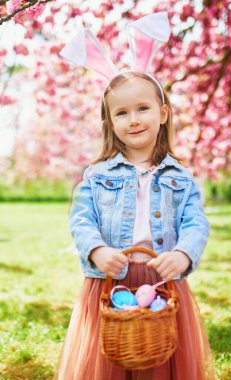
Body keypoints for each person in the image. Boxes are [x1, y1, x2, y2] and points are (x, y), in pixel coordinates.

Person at [54, 13, 216, 380]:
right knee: (109, 357)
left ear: (162, 112)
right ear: (110, 123)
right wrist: (96, 250)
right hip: (110, 276)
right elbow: (81, 220)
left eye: (142, 108)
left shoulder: (180, 176)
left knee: (158, 357)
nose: (134, 119)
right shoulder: (97, 176)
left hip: (161, 278)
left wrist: (184, 253)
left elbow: (196, 221)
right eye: (122, 113)